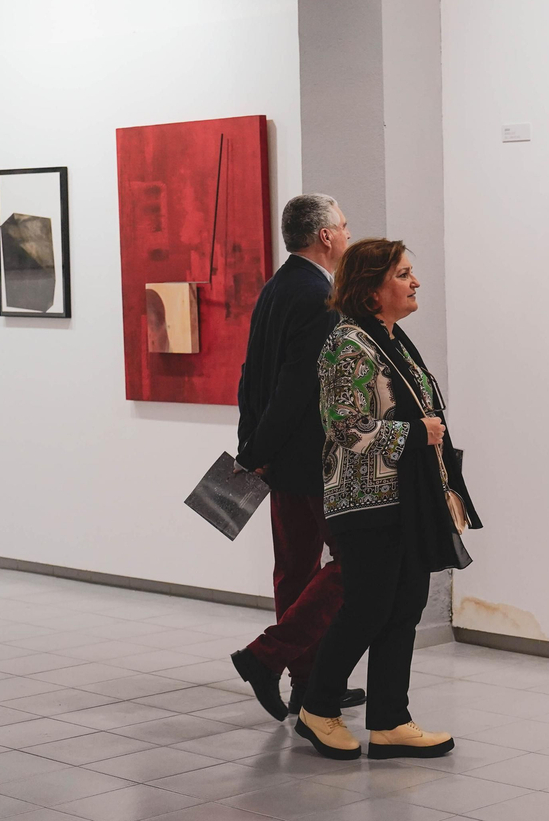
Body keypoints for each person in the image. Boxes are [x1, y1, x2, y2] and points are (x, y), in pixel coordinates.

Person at [294, 238, 481, 761]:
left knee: (405, 606)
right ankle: (319, 707)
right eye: (403, 274)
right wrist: (414, 433)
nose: (415, 281)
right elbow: (345, 428)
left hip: (406, 497)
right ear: (372, 289)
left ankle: (390, 721)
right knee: (369, 607)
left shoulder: (391, 340)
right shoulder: (348, 345)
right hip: (366, 499)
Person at [230, 194, 366, 720]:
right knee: (353, 566)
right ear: (326, 236)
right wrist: (258, 450)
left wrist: (253, 450)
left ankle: (309, 682)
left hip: (280, 459)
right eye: (345, 226)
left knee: (294, 568)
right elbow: (294, 388)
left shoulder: (277, 285)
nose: (349, 236)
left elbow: (250, 377)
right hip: (312, 462)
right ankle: (267, 656)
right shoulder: (317, 295)